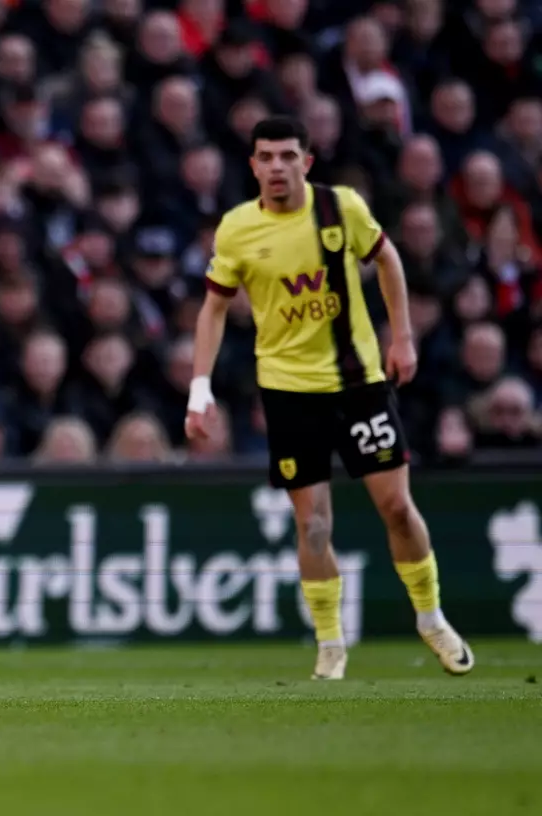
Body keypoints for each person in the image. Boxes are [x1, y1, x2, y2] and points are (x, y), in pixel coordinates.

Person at [186, 116, 474, 680]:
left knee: (396, 507)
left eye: (287, 155)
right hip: (290, 392)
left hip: (359, 384)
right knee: (313, 526)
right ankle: (330, 643)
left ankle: (431, 618)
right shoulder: (237, 229)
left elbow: (387, 259)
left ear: (306, 162)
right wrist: (201, 387)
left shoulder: (341, 208)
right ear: (252, 166)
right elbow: (215, 307)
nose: (276, 166)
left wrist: (403, 337)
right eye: (265, 156)